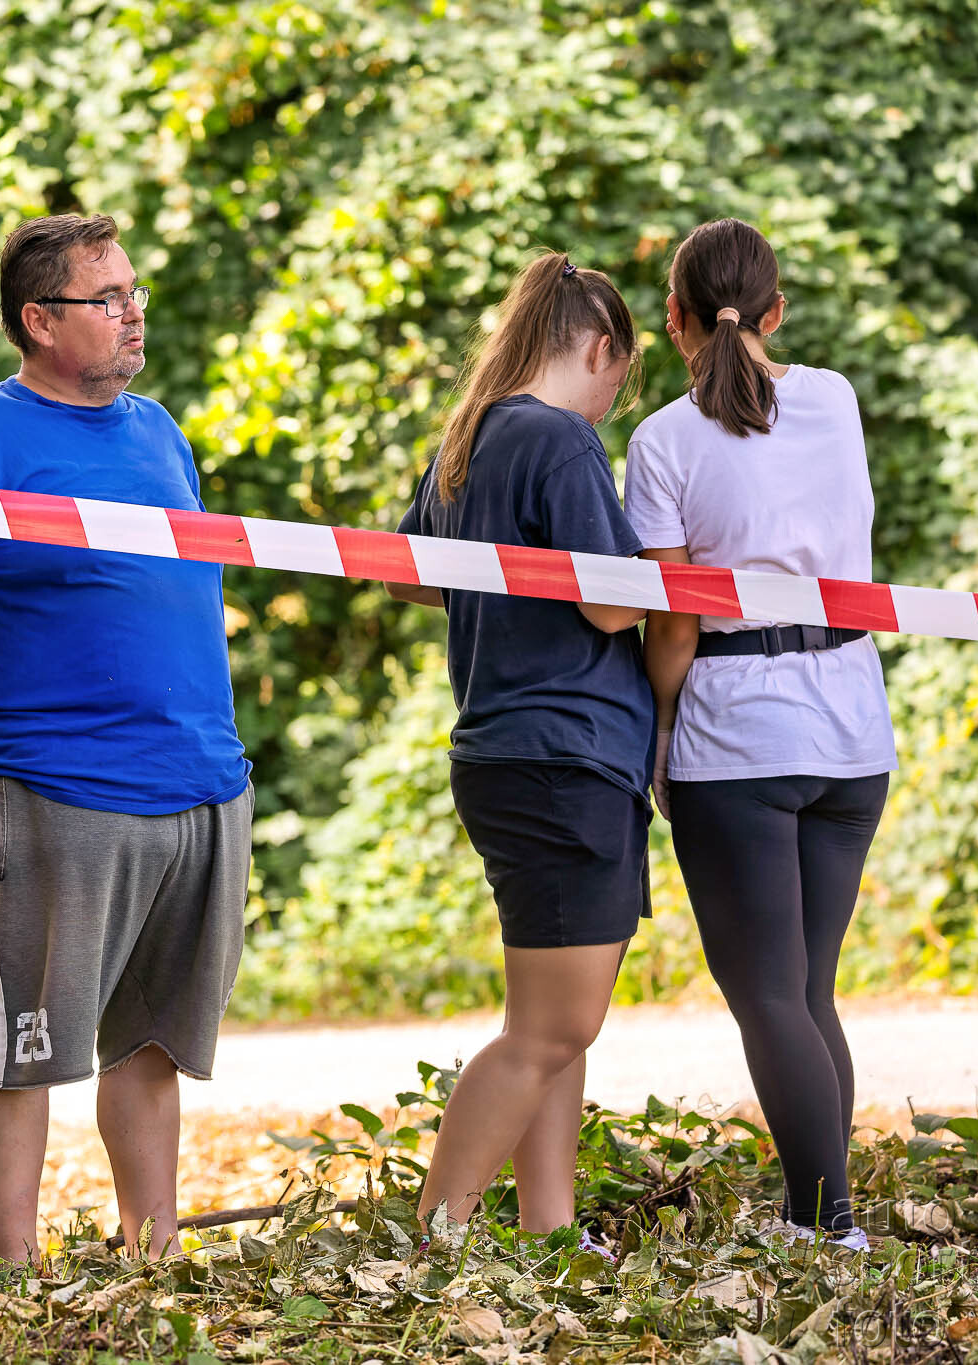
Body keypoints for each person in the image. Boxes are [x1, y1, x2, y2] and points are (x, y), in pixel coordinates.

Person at [0, 213, 252, 1265]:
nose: (132, 312)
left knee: (150, 1042)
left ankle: (152, 1259)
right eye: (107, 298)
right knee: (19, 1050)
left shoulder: (159, 431)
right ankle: (11, 1277)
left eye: (132, 292)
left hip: (196, 781)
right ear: (39, 320)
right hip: (49, 783)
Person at [626, 219, 893, 1250]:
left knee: (768, 995)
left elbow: (673, 625)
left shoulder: (660, 441)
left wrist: (659, 727)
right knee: (807, 990)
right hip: (851, 726)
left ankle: (828, 1224)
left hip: (737, 737)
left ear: (674, 317)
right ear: (774, 312)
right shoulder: (834, 400)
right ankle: (816, 1213)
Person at [389, 252, 649, 1240]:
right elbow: (613, 603)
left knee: (546, 1023)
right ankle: (437, 1236)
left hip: (501, 748)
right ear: (598, 348)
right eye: (621, 377)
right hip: (565, 751)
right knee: (554, 1027)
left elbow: (408, 574)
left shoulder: (470, 433)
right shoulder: (559, 439)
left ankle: (550, 1228)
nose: (613, 401)